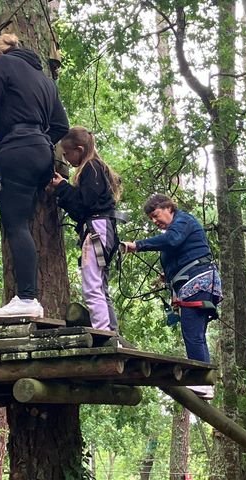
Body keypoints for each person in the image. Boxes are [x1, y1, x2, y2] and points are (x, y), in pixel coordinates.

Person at [0, 33, 69, 318]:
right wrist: (40, 140)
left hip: (15, 151)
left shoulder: (2, 66)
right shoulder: (46, 82)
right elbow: (61, 126)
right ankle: (27, 297)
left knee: (16, 225)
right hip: (41, 153)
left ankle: (27, 298)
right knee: (24, 225)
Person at [122, 194, 222, 399]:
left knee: (192, 333)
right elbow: (180, 251)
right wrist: (167, 276)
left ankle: (202, 380)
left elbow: (172, 240)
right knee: (195, 334)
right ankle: (203, 381)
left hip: (198, 281)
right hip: (195, 281)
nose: (154, 220)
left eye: (156, 214)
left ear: (168, 208)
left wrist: (137, 245)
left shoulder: (182, 221)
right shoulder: (177, 227)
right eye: (151, 218)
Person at [50, 127, 121, 331]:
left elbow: (84, 206)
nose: (67, 159)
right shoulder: (97, 169)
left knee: (92, 286)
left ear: (79, 149)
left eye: (68, 154)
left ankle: (102, 331)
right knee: (100, 285)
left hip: (97, 229)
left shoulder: (91, 168)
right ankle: (110, 330)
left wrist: (63, 187)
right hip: (104, 228)